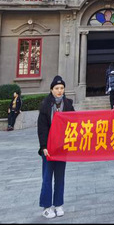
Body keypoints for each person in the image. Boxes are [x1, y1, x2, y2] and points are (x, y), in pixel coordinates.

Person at [37, 76, 74, 219]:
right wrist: (44, 146)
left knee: (60, 177)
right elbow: (42, 128)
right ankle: (46, 207)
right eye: (57, 88)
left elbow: (75, 122)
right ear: (51, 89)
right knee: (47, 177)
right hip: (49, 148)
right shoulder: (45, 105)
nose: (59, 91)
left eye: (62, 88)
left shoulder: (68, 104)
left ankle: (58, 204)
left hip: (62, 147)